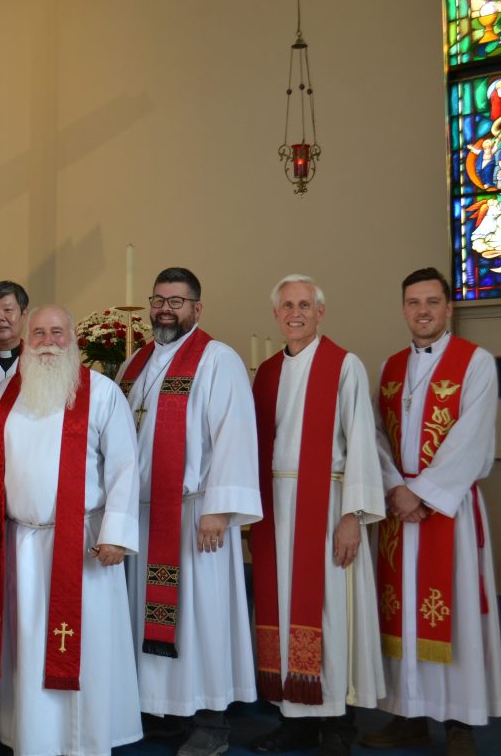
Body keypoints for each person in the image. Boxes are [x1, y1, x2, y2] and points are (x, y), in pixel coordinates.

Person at [116, 268, 261, 756]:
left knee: (200, 618)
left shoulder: (217, 360)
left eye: (177, 302)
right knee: (149, 617)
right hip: (141, 516)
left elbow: (235, 434)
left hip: (193, 514)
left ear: (198, 309)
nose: (165, 310)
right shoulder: (135, 364)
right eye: (159, 300)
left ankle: (210, 720)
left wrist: (219, 509)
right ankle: (163, 709)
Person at [361, 267, 501, 756]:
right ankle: (408, 714)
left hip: (449, 509)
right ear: (404, 308)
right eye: (413, 302)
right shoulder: (389, 367)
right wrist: (395, 487)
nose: (422, 310)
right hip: (402, 511)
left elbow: (474, 437)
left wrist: (422, 492)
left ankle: (460, 723)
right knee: (398, 611)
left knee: (455, 610)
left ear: (448, 308)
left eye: (432, 302)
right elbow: (375, 435)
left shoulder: (476, 362)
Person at [0, 304, 141, 755]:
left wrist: (115, 532)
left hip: (83, 546)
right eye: (38, 333)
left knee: (84, 647)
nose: (48, 342)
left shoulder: (101, 392)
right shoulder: (7, 394)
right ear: (24, 337)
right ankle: (31, 738)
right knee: (28, 647)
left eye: (57, 332)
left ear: (73, 338)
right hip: (21, 543)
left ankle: (84, 741)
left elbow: (124, 466)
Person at [250, 275, 385, 756]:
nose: (295, 313)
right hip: (276, 510)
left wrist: (353, 515)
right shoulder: (265, 373)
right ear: (275, 314)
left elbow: (363, 442)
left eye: (305, 304)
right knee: (283, 611)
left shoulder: (343, 365)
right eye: (286, 305)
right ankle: (294, 720)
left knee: (331, 610)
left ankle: (337, 726)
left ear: (321, 312)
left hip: (326, 505)